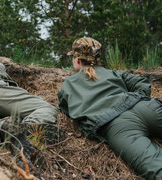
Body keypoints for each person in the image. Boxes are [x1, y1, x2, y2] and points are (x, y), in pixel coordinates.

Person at [58, 37, 162, 180]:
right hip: (146, 107)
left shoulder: (68, 85)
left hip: (118, 126)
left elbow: (67, 110)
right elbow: (141, 83)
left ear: (76, 59)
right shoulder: (114, 73)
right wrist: (133, 98)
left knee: (156, 168)